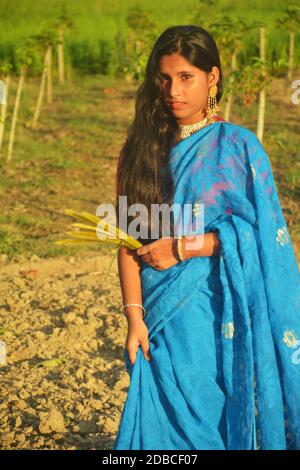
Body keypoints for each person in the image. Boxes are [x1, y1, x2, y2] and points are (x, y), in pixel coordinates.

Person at [112, 25, 300, 450]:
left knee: (214, 418)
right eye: (164, 78)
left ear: (212, 78)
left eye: (185, 78)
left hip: (219, 314)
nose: (172, 90)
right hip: (157, 317)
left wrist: (183, 248)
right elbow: (126, 241)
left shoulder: (237, 147)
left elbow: (264, 238)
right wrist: (134, 318)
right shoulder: (139, 150)